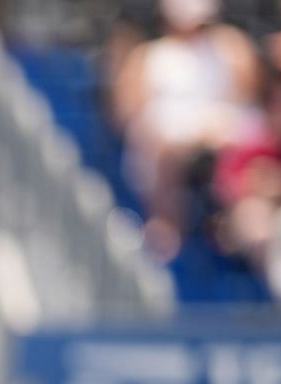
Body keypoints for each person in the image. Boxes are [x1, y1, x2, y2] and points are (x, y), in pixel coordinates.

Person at [112, 0, 264, 260]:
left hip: (220, 134)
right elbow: (128, 113)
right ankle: (167, 225)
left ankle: (237, 223)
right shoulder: (148, 55)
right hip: (166, 141)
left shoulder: (228, 47)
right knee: (163, 147)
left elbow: (248, 93)